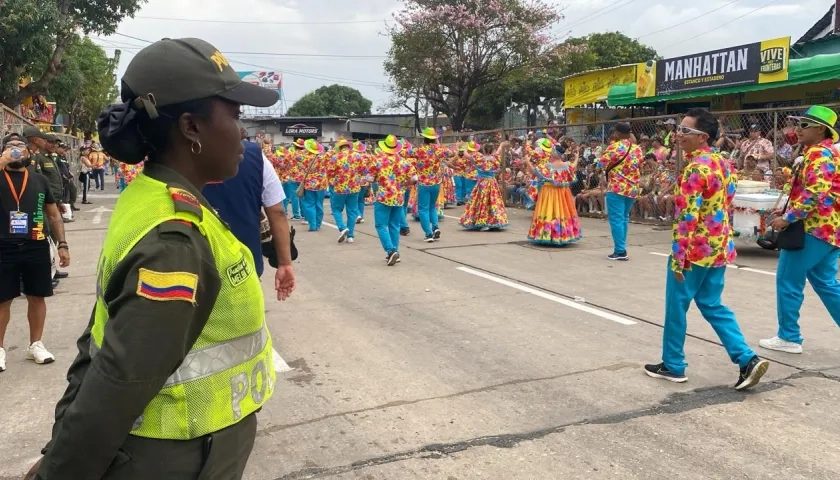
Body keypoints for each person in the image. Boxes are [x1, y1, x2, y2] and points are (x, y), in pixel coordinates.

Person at [26, 37, 286, 480]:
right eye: (235, 114)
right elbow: (116, 386)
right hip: (176, 460)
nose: (244, 131)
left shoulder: (155, 195)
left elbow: (99, 335)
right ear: (191, 127)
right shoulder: (173, 243)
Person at [644, 107, 769, 390]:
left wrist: (678, 258)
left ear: (703, 137)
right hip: (719, 246)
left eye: (686, 130)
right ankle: (746, 358)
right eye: (680, 129)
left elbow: (687, 218)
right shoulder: (723, 164)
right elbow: (726, 201)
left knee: (676, 306)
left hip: (694, 251)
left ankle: (673, 365)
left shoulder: (694, 169)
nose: (679, 135)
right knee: (712, 304)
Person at [761, 105, 840, 354]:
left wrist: (789, 218)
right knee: (826, 282)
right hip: (829, 230)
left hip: (812, 229)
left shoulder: (818, 153)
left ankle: (789, 336)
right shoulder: (828, 153)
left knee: (788, 280)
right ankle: (788, 335)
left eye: (804, 125)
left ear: (820, 129)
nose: (797, 129)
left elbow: (816, 191)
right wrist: (785, 212)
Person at [0, 133, 70, 373]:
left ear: (29, 152)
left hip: (36, 244)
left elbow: (53, 214)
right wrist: (2, 163)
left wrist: (62, 244)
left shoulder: (39, 179)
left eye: (20, 146)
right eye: (10, 146)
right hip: (3, 246)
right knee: (3, 299)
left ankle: (35, 345)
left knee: (37, 296)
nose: (17, 149)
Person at [202, 139, 295, 280]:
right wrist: (285, 263)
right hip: (243, 268)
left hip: (191, 266)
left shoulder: (173, 152)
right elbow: (277, 212)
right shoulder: (255, 155)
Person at [369, 134, 417, 266]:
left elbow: (369, 178)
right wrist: (405, 183)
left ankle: (390, 251)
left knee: (380, 225)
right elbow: (414, 179)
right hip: (399, 196)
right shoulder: (404, 161)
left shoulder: (378, 160)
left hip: (384, 196)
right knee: (394, 225)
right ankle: (395, 251)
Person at [597, 122, 642, 261]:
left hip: (616, 187)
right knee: (624, 218)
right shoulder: (637, 149)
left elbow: (601, 163)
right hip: (632, 188)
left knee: (616, 219)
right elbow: (639, 163)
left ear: (616, 133)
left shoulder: (614, 147)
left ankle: (620, 251)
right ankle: (621, 247)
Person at [523, 140, 582, 245]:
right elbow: (574, 167)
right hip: (563, 193)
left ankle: (547, 234)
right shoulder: (566, 165)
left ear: (554, 154)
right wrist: (577, 157)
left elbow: (534, 172)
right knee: (562, 212)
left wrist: (527, 161)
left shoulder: (547, 166)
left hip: (548, 192)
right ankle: (562, 235)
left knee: (548, 212)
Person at [458, 141, 509, 232]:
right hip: (492, 183)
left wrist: (464, 147)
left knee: (481, 201)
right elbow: (499, 150)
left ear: (484, 150)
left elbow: (466, 155)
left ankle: (482, 222)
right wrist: (501, 144)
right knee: (492, 201)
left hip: (482, 183)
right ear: (492, 150)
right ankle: (493, 221)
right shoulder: (495, 157)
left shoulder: (479, 158)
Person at [326, 138, 365, 244]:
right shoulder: (358, 156)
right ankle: (350, 236)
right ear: (348, 146)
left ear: (340, 147)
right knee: (352, 211)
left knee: (336, 209)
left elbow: (329, 172)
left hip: (340, 187)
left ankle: (342, 228)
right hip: (354, 187)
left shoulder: (335, 157)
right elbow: (364, 170)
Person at [413, 127, 446, 241]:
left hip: (423, 184)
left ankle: (428, 234)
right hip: (436, 183)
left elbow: (404, 153)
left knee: (423, 209)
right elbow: (450, 153)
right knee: (432, 207)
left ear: (424, 138)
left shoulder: (420, 150)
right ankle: (435, 227)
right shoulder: (438, 150)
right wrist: (437, 143)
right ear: (434, 138)